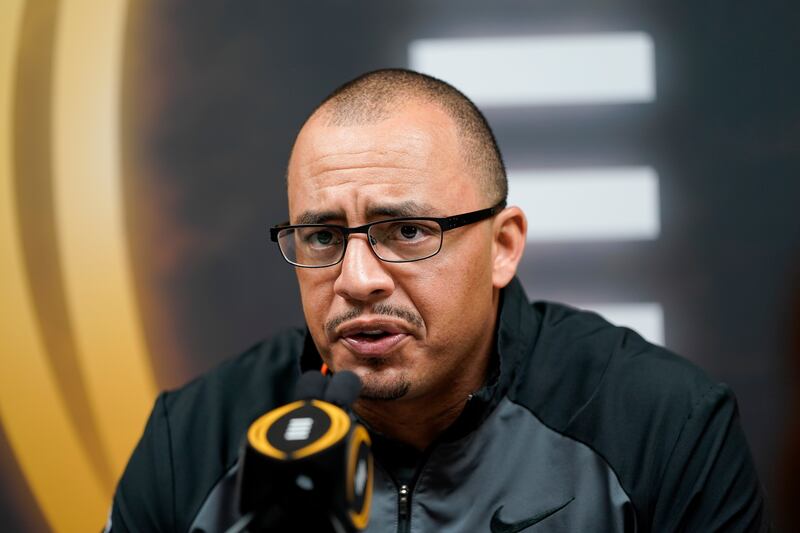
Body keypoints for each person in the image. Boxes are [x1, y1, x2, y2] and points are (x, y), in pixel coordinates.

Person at [108, 69, 768, 532]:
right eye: (322, 235)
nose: (357, 278)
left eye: (408, 230)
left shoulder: (661, 426)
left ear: (504, 246)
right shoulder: (192, 440)